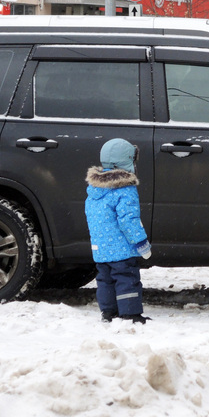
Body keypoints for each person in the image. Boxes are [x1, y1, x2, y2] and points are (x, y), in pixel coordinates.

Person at [85, 138, 153, 323]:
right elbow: (128, 221)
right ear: (127, 162)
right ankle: (130, 314)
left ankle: (108, 313)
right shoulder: (125, 189)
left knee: (105, 280)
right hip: (122, 249)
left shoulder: (94, 190)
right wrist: (141, 243)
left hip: (101, 248)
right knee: (127, 278)